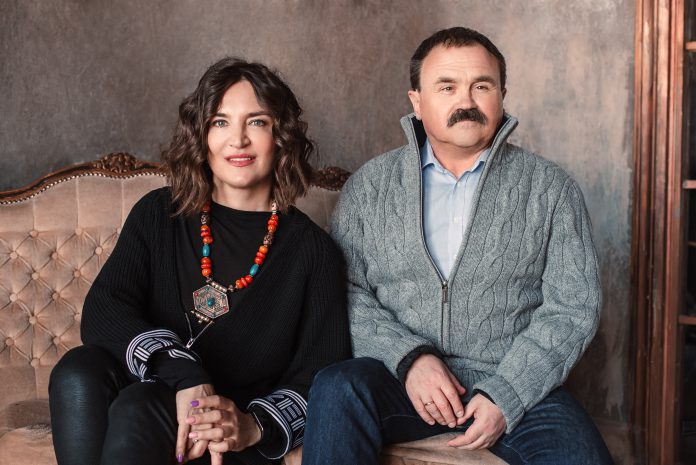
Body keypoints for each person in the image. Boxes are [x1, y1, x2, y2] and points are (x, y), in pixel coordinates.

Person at [302, 27, 613, 465]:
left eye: (481, 86)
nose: (466, 101)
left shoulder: (551, 189)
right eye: (447, 87)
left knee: (581, 456)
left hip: (513, 382)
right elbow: (344, 292)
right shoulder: (370, 187)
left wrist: (507, 393)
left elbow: (573, 308)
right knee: (337, 386)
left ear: (502, 95)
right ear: (416, 101)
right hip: (399, 379)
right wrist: (410, 359)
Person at [48, 57, 350, 465]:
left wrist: (253, 425)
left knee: (140, 405)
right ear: (201, 134)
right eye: (220, 122)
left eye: (257, 122)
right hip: (156, 384)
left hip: (230, 424)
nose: (237, 140)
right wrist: (184, 373)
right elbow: (105, 308)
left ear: (281, 136)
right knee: (78, 370)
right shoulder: (159, 213)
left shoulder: (313, 252)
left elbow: (322, 372)